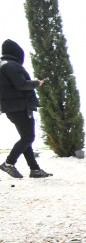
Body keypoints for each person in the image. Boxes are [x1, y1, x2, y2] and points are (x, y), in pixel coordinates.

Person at [0, 39, 49, 179]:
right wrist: (36, 83)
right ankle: (9, 163)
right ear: (16, 53)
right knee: (28, 137)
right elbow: (21, 85)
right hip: (21, 107)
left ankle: (35, 169)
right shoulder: (11, 66)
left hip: (10, 108)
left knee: (25, 138)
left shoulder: (2, 65)